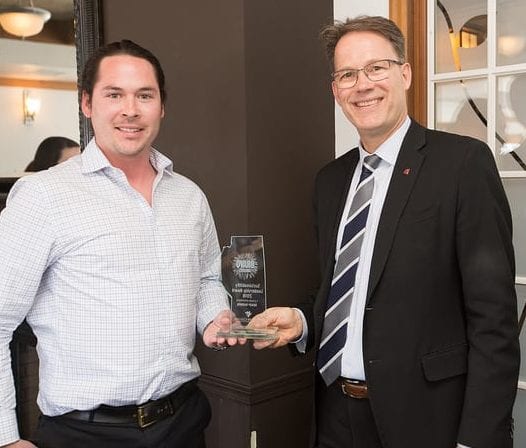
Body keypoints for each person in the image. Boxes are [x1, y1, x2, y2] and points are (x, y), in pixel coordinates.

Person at [250, 16, 520, 448]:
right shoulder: (330, 181)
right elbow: (347, 291)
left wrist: (478, 438)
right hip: (334, 414)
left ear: (405, 74)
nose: (363, 85)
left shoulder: (462, 165)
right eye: (347, 74)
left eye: (377, 68)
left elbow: (494, 321)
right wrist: (302, 323)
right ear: (335, 90)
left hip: (428, 420)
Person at [0, 39, 242, 448]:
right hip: (86, 434)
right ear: (87, 103)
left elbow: (205, 279)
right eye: (114, 94)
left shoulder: (188, 196)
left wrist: (214, 318)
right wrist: (6, 437)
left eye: (144, 95)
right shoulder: (43, 196)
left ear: (161, 106)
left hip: (183, 423)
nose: (130, 110)